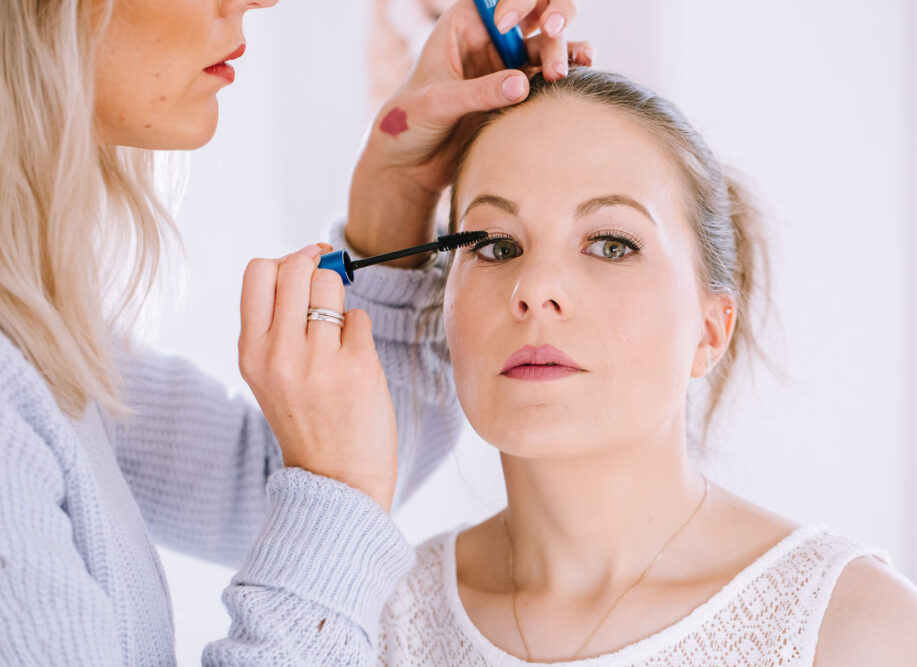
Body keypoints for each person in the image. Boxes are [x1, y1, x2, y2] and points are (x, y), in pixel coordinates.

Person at [0, 0, 589, 664]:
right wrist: (338, 490)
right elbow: (317, 490)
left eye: (612, 245)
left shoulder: (25, 330)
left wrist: (398, 188)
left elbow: (262, 484)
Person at [351, 69, 917, 665]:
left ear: (710, 329)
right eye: (496, 245)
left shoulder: (857, 632)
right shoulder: (369, 620)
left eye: (612, 244)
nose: (535, 288)